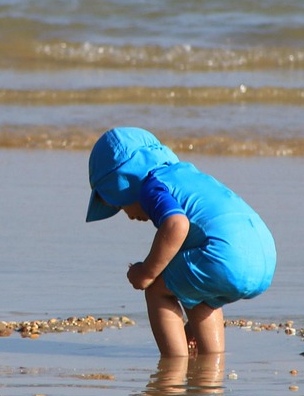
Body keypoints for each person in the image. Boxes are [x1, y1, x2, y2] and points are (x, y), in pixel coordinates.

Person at [86, 127, 276, 357]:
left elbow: (177, 224)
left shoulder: (151, 185)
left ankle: (174, 364)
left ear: (123, 184)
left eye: (118, 204)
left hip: (223, 257)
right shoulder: (188, 174)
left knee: (157, 290)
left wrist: (146, 272)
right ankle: (211, 363)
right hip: (264, 255)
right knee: (197, 293)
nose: (126, 214)